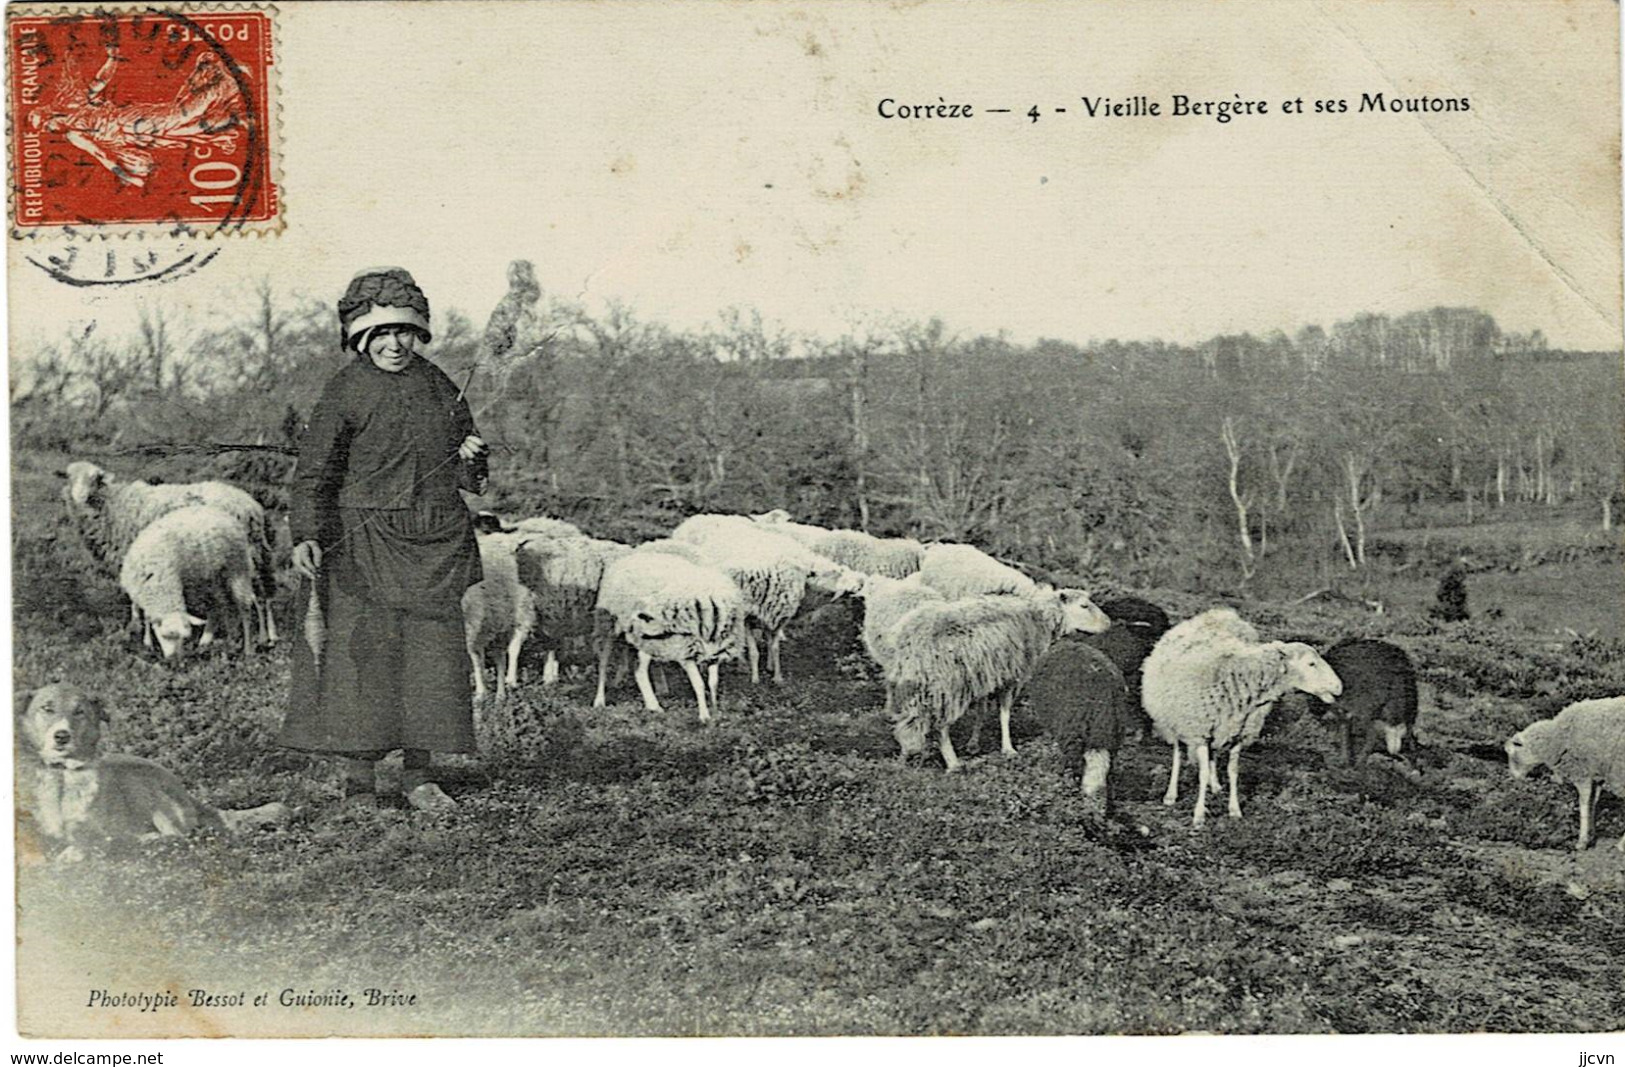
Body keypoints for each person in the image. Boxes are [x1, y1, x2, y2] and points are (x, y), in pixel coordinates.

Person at [281, 268, 489, 811]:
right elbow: (315, 473)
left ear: (418, 333)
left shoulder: (439, 385)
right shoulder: (344, 391)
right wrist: (306, 532)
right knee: (361, 658)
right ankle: (359, 784)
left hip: (432, 540)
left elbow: (467, 472)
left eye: (403, 332)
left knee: (430, 661)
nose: (394, 344)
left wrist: (473, 460)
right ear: (359, 338)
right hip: (361, 545)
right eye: (380, 334)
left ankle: (419, 778)